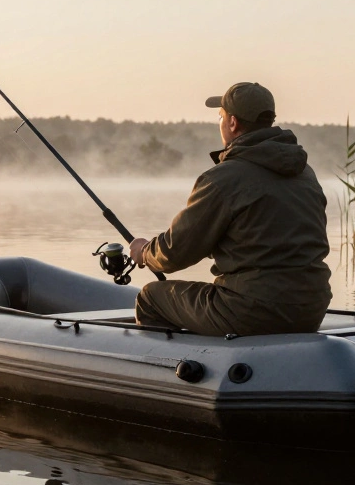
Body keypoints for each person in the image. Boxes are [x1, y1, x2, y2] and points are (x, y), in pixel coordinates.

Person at [128, 82, 332, 336]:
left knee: (151, 297)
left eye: (221, 116)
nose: (220, 122)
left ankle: (178, 372)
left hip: (251, 311)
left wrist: (144, 252)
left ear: (233, 123)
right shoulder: (304, 173)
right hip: (311, 309)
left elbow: (175, 252)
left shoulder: (223, 178)